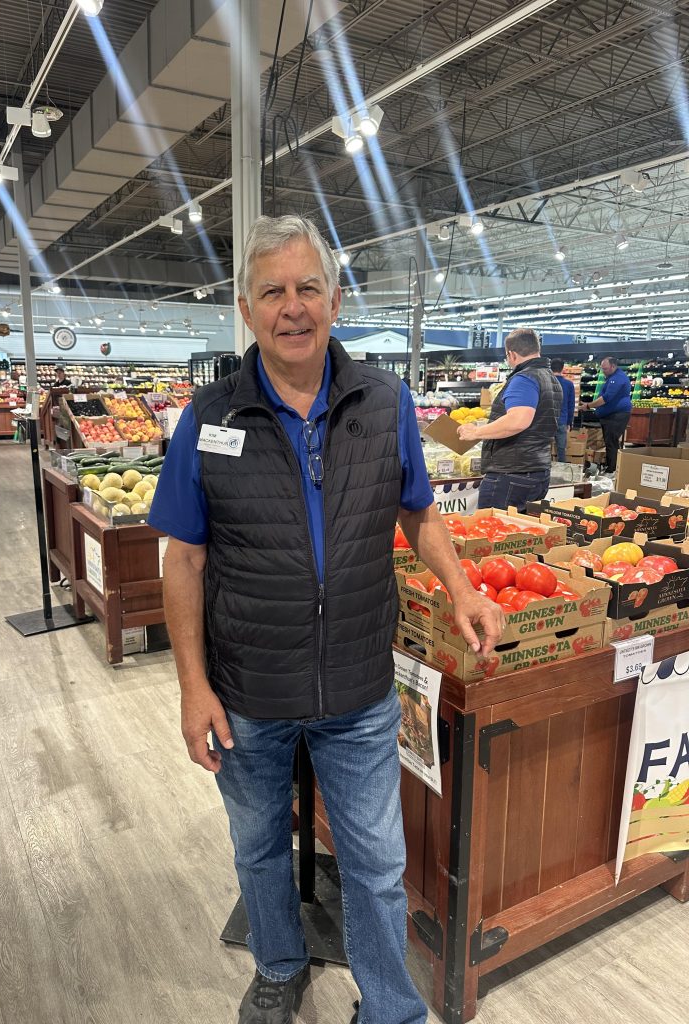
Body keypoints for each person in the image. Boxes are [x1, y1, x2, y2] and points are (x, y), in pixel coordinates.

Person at [149, 215, 504, 1024]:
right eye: (273, 291)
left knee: (378, 861)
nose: (293, 306)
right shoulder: (208, 420)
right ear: (247, 309)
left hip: (357, 688)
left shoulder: (383, 402)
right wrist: (192, 688)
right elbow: (185, 560)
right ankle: (278, 964)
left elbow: (420, 513)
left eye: (308, 287)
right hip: (248, 689)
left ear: (335, 300)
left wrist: (460, 586)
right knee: (261, 846)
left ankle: (389, 1008)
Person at [457, 328, 561, 512]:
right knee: (520, 534)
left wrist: (476, 432)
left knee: (492, 534)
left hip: (511, 474)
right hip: (538, 470)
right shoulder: (550, 378)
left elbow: (518, 421)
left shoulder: (524, 379)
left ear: (511, 354)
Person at [581, 356, 632, 473]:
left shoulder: (618, 378)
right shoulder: (612, 377)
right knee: (610, 441)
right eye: (602, 369)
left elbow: (606, 398)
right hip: (610, 415)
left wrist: (589, 405)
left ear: (613, 366)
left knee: (611, 442)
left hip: (617, 415)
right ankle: (611, 466)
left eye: (606, 369)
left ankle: (612, 469)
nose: (603, 371)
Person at [550, 358, 576, 462]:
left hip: (547, 421)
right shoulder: (569, 384)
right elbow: (571, 405)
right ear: (563, 368)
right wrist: (569, 422)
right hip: (562, 420)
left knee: (545, 449)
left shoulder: (545, 382)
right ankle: (561, 472)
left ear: (550, 368)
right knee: (561, 448)